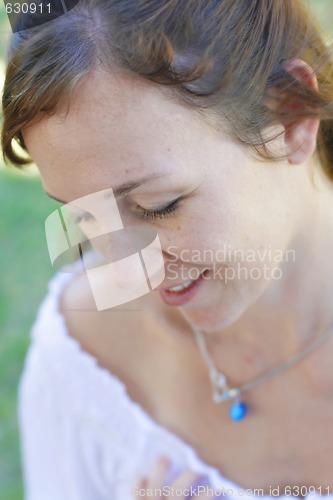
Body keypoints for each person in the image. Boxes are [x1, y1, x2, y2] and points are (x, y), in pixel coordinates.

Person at [2, 0, 333, 498]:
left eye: (158, 206)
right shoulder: (82, 361)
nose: (125, 268)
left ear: (289, 119)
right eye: (83, 215)